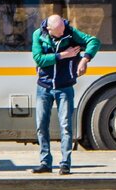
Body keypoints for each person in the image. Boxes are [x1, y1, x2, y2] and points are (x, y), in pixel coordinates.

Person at [31, 13, 100, 175]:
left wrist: (85, 60)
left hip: (65, 87)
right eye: (59, 31)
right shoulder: (38, 35)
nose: (63, 33)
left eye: (63, 28)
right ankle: (45, 162)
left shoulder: (69, 32)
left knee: (66, 126)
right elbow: (39, 59)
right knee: (41, 125)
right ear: (48, 29)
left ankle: (65, 163)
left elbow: (93, 41)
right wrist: (63, 55)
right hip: (44, 87)